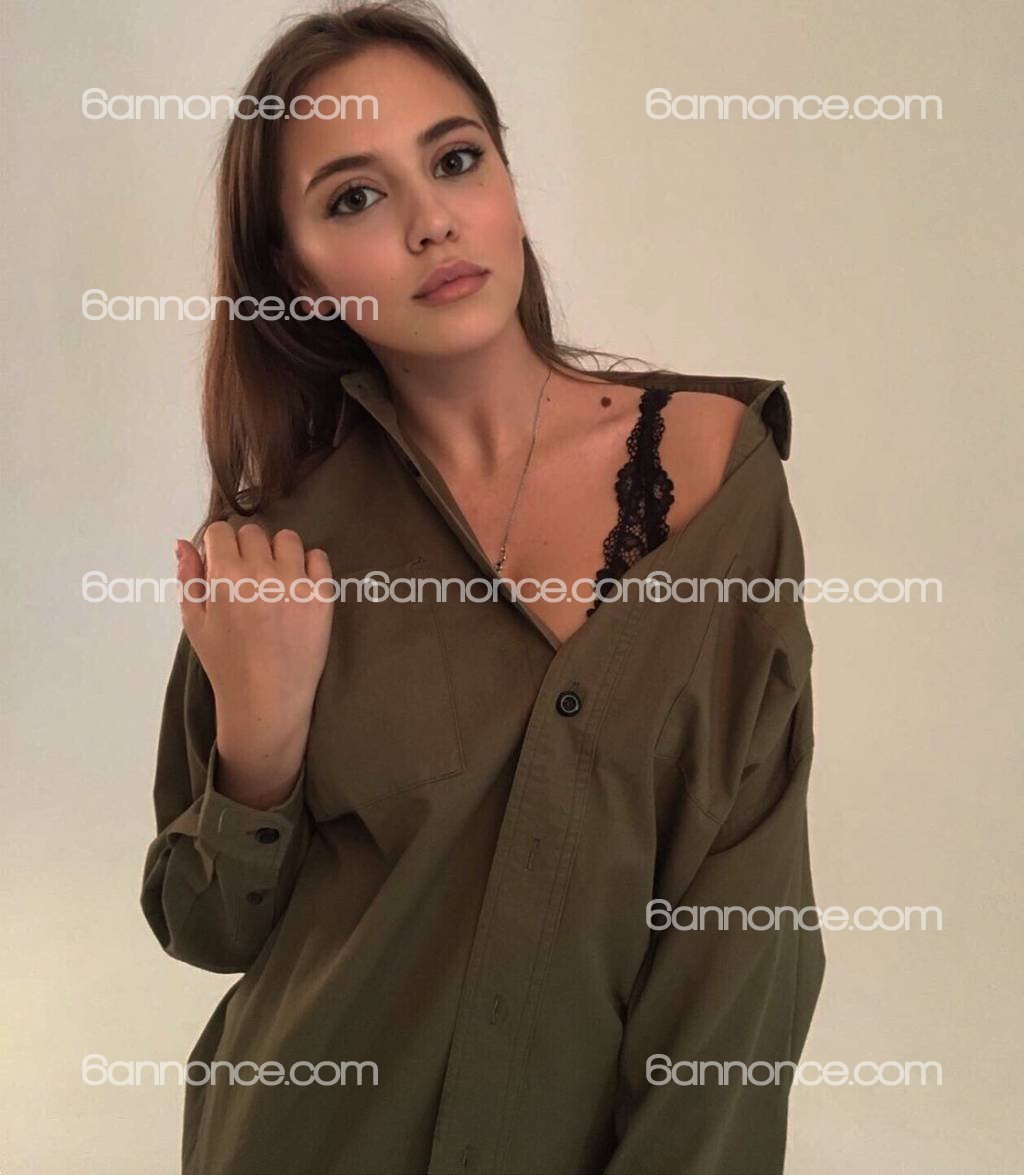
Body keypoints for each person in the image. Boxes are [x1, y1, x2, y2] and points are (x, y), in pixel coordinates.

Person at [140, 2, 826, 1172]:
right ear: (298, 279)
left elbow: (748, 921)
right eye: (355, 197)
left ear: (505, 178)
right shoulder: (274, 550)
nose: (432, 221)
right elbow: (205, 925)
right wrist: (259, 743)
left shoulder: (719, 474)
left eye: (455, 159)